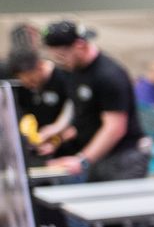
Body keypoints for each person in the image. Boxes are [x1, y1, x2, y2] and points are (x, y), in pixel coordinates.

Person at [41, 21, 148, 181]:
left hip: (122, 159)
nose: (60, 62)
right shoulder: (75, 71)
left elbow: (115, 128)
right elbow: (74, 104)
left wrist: (82, 160)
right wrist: (56, 129)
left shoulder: (108, 75)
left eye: (62, 56)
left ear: (79, 45)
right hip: (97, 156)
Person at [2, 46, 76, 153]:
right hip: (36, 145)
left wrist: (56, 140)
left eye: (32, 80)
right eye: (24, 82)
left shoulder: (64, 79)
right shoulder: (24, 85)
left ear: (40, 66)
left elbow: (77, 120)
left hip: (66, 147)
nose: (29, 85)